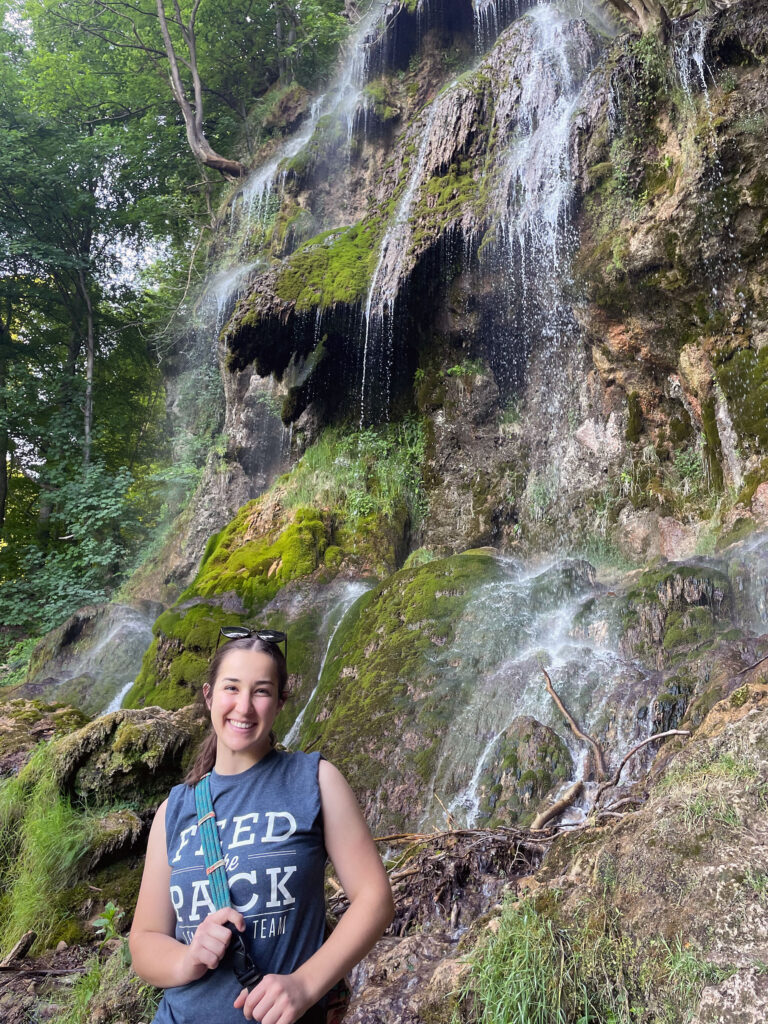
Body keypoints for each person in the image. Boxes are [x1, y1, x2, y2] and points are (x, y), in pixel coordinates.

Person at [129, 630, 394, 1024]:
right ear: (209, 695)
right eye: (231, 688)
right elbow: (144, 941)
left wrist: (304, 986)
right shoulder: (174, 809)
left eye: (262, 691)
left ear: (281, 702)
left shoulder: (315, 781)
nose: (244, 706)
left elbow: (375, 899)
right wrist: (189, 957)